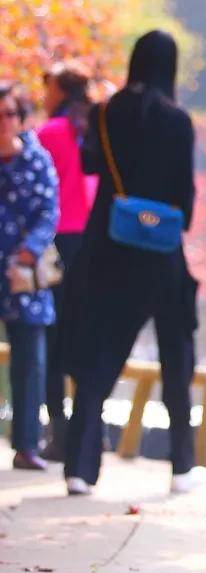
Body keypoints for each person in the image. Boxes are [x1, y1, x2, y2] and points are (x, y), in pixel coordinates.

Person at [63, 32, 198, 497]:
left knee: (101, 354)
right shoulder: (179, 121)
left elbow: (87, 165)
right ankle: (182, 464)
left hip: (109, 249)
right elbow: (185, 197)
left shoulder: (105, 112)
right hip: (161, 256)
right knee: (176, 355)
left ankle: (79, 466)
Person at [36, 62, 96, 460]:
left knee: (52, 337)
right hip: (94, 244)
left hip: (55, 242)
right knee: (89, 336)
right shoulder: (96, 131)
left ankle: (59, 431)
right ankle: (92, 430)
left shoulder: (48, 134)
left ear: (59, 91)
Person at [1, 84, 60, 470]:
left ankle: (27, 444)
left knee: (31, 360)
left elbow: (48, 210)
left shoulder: (37, 159)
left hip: (23, 271)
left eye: (8, 114)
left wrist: (28, 251)